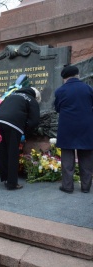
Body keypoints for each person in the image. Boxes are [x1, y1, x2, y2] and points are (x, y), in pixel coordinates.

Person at [0, 86, 41, 190]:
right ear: (36, 96)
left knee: (2, 152)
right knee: (12, 153)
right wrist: (25, 131)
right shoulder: (31, 100)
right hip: (13, 125)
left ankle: (5, 178)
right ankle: (12, 183)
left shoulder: (10, 96)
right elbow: (34, 121)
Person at [54, 65, 93, 193]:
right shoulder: (88, 88)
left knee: (67, 157)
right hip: (86, 127)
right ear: (77, 75)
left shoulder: (60, 91)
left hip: (67, 127)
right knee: (86, 157)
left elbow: (58, 108)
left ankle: (67, 186)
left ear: (64, 78)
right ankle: (86, 187)